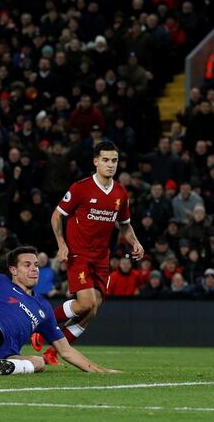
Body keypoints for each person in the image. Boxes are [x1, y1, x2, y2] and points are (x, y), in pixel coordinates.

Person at [0, 204, 116, 375]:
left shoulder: (43, 307)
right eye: (27, 265)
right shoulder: (0, 282)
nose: (34, 269)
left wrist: (100, 371)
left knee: (38, 362)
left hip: (9, 354)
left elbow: (66, 351)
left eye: (36, 265)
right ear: (13, 270)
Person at [35, 141, 144, 365]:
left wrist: (136, 242)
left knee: (92, 310)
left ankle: (52, 352)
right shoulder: (81, 188)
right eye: (105, 160)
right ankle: (40, 324)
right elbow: (57, 215)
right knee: (85, 303)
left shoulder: (120, 194)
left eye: (114, 160)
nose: (110, 165)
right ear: (96, 161)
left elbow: (124, 225)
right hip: (79, 254)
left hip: (101, 258)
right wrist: (62, 244)